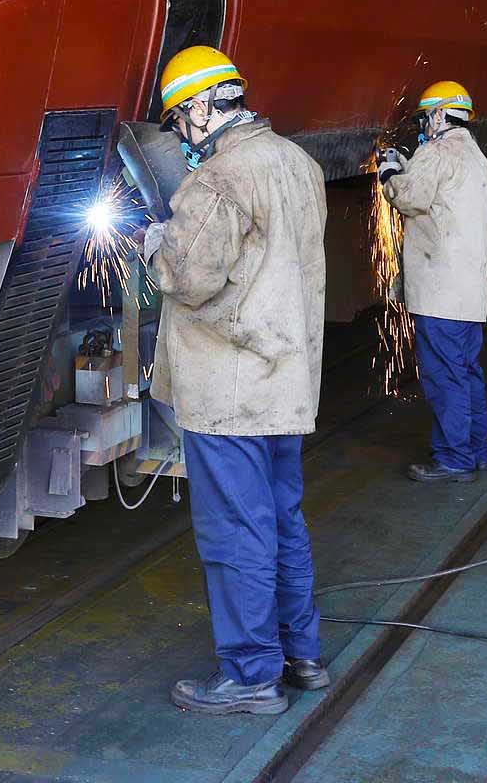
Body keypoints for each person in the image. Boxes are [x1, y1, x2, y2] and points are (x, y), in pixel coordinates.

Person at [141, 45, 331, 715]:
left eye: (178, 121)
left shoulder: (217, 181)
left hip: (229, 391)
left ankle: (251, 675)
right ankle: (299, 654)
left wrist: (154, 243)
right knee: (280, 517)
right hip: (284, 381)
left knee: (234, 531)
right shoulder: (298, 164)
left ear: (199, 107)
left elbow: (185, 278)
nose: (182, 136)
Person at [378, 80, 487, 484]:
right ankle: (475, 451)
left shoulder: (437, 151)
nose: (424, 126)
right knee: (467, 372)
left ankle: (453, 458)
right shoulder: (478, 158)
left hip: (440, 295)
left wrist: (390, 169)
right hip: (469, 293)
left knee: (445, 377)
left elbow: (408, 196)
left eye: (426, 117)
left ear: (440, 114)